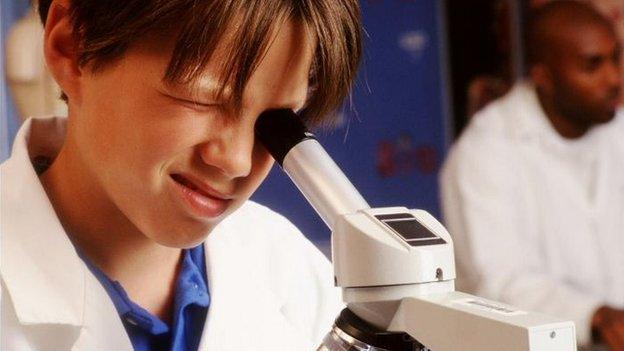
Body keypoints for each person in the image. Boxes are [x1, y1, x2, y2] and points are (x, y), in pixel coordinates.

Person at [0, 0, 362, 350]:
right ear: (72, 46)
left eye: (275, 123)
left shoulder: (293, 272)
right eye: (201, 101)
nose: (238, 162)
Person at [440, 1, 624, 350]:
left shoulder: (618, 131)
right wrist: (596, 317)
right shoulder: (486, 151)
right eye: (593, 65)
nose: (614, 78)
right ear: (544, 76)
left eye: (615, 58)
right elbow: (498, 285)